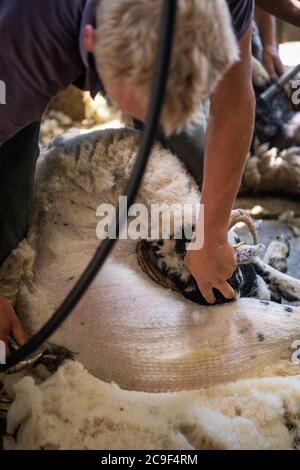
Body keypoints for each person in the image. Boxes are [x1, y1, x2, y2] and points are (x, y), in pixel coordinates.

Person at [0, 0, 299, 351]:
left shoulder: (225, 5)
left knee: (194, 159)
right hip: (28, 44)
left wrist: (212, 232)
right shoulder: (22, 41)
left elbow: (231, 104)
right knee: (10, 205)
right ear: (92, 41)